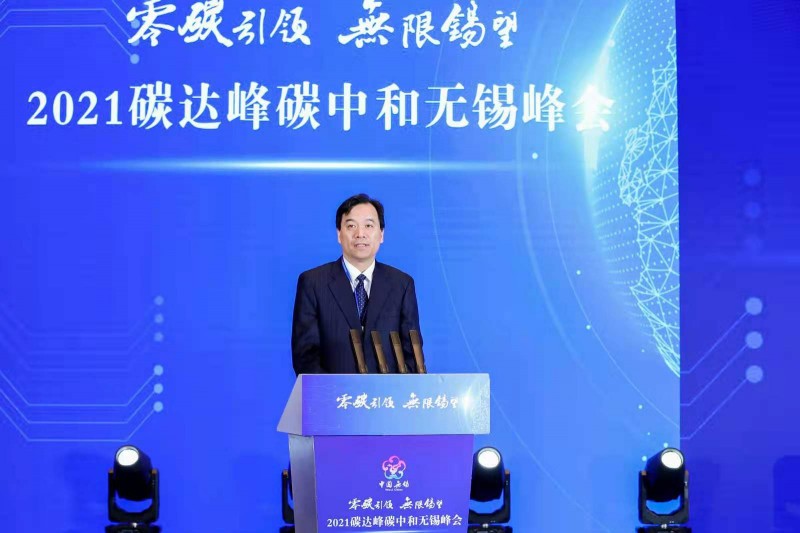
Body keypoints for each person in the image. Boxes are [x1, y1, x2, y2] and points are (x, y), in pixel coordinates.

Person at [291, 194, 421, 374]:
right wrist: (334, 391)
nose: (360, 234)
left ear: (381, 234)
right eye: (351, 226)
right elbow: (305, 357)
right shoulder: (313, 283)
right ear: (339, 234)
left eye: (369, 225)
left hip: (387, 392)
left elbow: (412, 356)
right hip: (334, 392)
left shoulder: (402, 285)